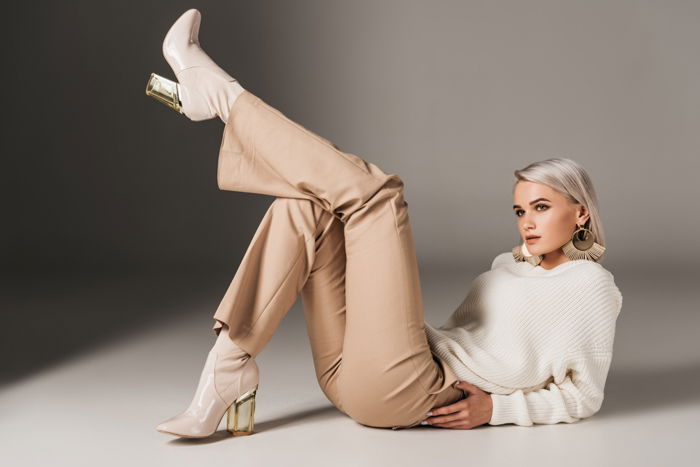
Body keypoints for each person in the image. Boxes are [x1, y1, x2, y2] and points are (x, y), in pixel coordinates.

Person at [147, 9, 623, 438]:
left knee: (377, 196)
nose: (527, 222)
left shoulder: (591, 285)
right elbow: (454, 344)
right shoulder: (509, 264)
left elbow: (586, 394)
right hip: (353, 373)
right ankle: (228, 367)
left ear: (580, 212)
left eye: (541, 207)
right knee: (308, 204)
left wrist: (498, 409)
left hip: (405, 392)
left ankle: (219, 96)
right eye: (521, 210)